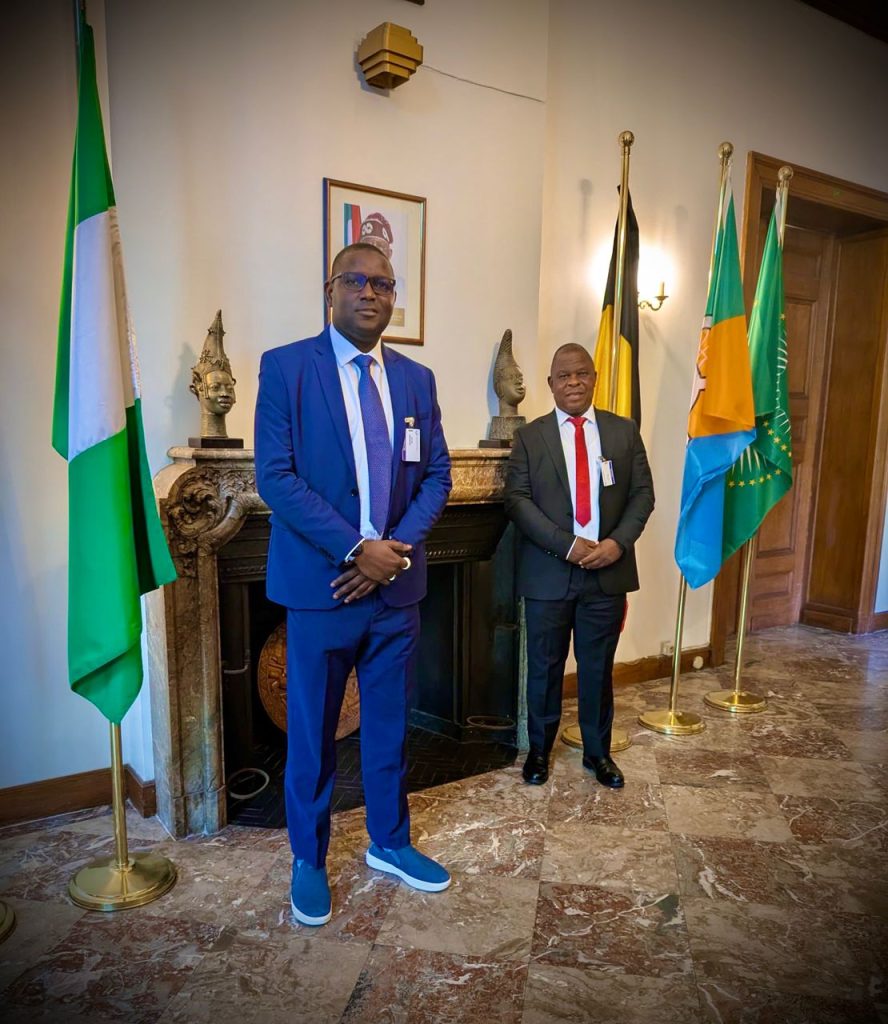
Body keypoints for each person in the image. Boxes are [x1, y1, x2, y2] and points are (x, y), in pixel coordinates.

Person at [254, 242, 452, 926]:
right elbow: (276, 477)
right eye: (357, 280)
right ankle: (308, 859)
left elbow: (437, 476)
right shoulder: (286, 368)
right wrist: (355, 549)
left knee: (390, 728)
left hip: (396, 592)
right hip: (322, 591)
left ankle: (389, 842)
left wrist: (390, 556)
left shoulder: (418, 380)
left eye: (384, 284)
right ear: (330, 289)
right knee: (312, 736)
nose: (371, 293)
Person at [504, 343, 654, 787]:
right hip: (548, 573)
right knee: (544, 668)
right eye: (564, 376)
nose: (573, 382)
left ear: (594, 378)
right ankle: (539, 752)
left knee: (597, 669)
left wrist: (617, 544)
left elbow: (642, 495)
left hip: (607, 573)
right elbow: (517, 501)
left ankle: (598, 754)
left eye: (581, 373)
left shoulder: (623, 432)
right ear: (551, 384)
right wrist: (566, 545)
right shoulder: (529, 438)